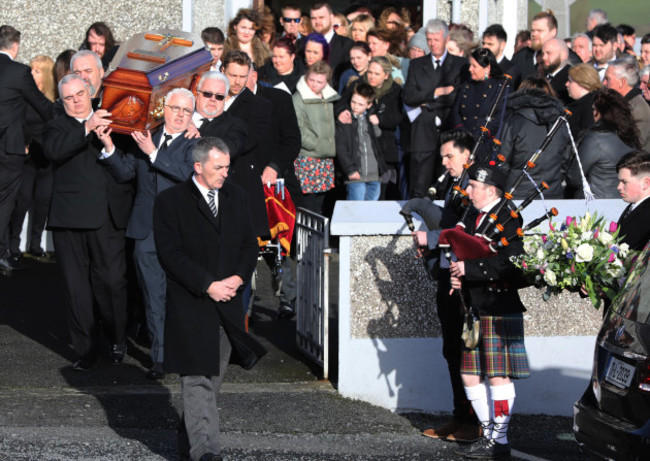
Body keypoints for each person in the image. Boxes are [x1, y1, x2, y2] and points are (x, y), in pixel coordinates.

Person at [153, 137, 266, 461]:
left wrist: (238, 277)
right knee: (197, 379)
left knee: (211, 382)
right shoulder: (170, 201)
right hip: (191, 303)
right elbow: (169, 254)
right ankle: (206, 452)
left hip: (228, 304)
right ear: (198, 167)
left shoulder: (236, 196)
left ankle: (190, 446)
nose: (225, 174)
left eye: (228, 167)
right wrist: (207, 284)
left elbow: (249, 244)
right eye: (219, 168)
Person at [98, 88, 198, 380]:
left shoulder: (195, 143)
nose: (180, 115)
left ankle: (185, 350)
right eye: (175, 108)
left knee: (181, 296)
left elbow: (187, 175)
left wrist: (152, 154)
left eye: (186, 111)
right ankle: (160, 357)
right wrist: (108, 147)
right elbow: (126, 172)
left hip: (181, 234)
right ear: (164, 109)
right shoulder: (146, 136)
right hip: (146, 231)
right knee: (153, 297)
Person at [43, 74, 133, 369]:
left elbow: (126, 163)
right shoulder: (56, 125)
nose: (75, 101)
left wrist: (103, 135)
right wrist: (86, 126)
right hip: (68, 218)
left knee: (112, 282)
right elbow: (54, 152)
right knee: (76, 288)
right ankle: (85, 350)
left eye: (80, 94)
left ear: (90, 91)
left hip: (106, 216)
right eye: (68, 98)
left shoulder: (112, 118)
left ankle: (117, 338)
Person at [449, 162, 529, 461]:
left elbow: (514, 263)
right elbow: (462, 248)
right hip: (474, 306)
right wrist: (457, 273)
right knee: (469, 375)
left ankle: (500, 441)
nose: (467, 191)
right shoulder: (472, 214)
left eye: (473, 186)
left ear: (491, 190)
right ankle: (491, 437)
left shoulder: (509, 216)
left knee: (498, 376)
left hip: (498, 305)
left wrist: (469, 268)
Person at [415, 130, 481, 443]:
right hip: (447, 272)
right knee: (451, 349)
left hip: (464, 278)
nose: (444, 162)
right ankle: (459, 416)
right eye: (443, 156)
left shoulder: (475, 187)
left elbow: (464, 231)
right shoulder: (455, 183)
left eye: (449, 156)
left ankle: (473, 420)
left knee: (466, 350)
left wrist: (431, 238)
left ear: (468, 155)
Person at [0, 25, 53, 273]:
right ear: (15, 46)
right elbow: (42, 105)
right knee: (5, 203)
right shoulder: (19, 73)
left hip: (11, 145)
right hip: (10, 148)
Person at [403, 18, 468, 198]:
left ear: (446, 39)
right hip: (422, 133)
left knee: (444, 184)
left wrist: (426, 102)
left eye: (436, 40)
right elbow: (409, 97)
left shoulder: (460, 64)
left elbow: (457, 96)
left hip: (448, 130)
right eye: (429, 40)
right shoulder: (417, 65)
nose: (432, 44)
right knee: (419, 186)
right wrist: (436, 92)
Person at [8, 55, 56, 261]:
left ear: (45, 75)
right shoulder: (24, 99)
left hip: (46, 159)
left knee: (43, 202)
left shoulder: (52, 102)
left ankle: (36, 245)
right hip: (28, 159)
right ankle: (13, 244)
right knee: (22, 200)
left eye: (36, 70)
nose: (31, 73)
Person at [221, 51, 272, 240]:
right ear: (222, 70)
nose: (237, 81)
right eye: (232, 75)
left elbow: (246, 142)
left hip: (239, 179)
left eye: (243, 76)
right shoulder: (207, 98)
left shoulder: (259, 105)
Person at [338, 56, 404, 199]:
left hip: (384, 150)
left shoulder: (395, 90)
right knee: (358, 194)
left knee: (381, 194)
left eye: (377, 74)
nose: (372, 76)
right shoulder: (358, 85)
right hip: (359, 149)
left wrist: (380, 119)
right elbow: (341, 103)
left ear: (386, 75)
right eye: (370, 72)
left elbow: (398, 117)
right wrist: (342, 111)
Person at [499, 77, 571, 200]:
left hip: (517, 193)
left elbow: (502, 159)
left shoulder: (514, 121)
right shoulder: (561, 122)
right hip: (552, 191)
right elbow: (566, 159)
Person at [567, 88, 640, 199]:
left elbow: (574, 178)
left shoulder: (595, 139)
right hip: (623, 201)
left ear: (599, 112)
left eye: (593, 110)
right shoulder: (631, 137)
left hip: (596, 204)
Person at [293, 61, 340, 214]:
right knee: (308, 204)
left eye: (319, 81)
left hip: (325, 159)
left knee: (320, 202)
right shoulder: (298, 98)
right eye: (311, 80)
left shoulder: (330, 98)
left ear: (326, 82)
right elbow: (297, 128)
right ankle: (306, 237)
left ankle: (318, 237)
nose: (314, 84)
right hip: (308, 157)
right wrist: (315, 144)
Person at [449, 48, 506, 161]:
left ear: (487, 68)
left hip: (483, 144)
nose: (470, 69)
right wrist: (462, 133)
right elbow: (455, 112)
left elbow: (499, 117)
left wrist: (479, 136)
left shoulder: (499, 88)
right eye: (470, 65)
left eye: (474, 66)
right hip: (462, 141)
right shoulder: (466, 85)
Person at [336, 83, 385, 201]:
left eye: (360, 104)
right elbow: (341, 148)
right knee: (356, 211)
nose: (355, 106)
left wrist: (375, 125)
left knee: (371, 210)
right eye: (353, 102)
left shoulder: (370, 120)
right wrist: (350, 169)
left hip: (374, 175)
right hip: (356, 175)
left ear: (369, 105)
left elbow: (378, 140)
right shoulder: (346, 120)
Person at [603, 57, 650, 151]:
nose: (604, 83)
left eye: (608, 79)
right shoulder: (615, 102)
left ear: (622, 82)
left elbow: (632, 147)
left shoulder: (638, 110)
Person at [309, 2, 354, 87]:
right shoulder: (302, 44)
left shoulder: (347, 45)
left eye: (321, 17)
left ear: (331, 18)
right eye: (313, 18)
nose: (317, 22)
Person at [616, 150, 650, 251]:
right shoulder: (635, 206)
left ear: (645, 183)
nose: (619, 187)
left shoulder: (647, 213)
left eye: (624, 182)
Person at [565, 63, 602, 138]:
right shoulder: (588, 103)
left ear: (582, 83)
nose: (566, 84)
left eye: (570, 81)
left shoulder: (590, 107)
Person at [541, 38, 571, 105]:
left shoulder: (570, 78)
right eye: (543, 53)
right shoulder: (543, 76)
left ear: (563, 55)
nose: (544, 57)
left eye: (549, 53)